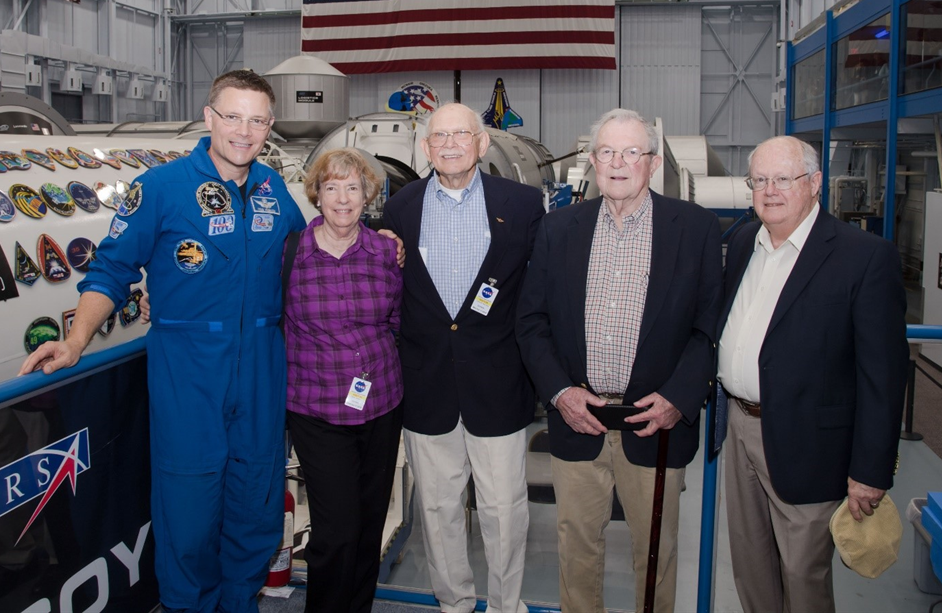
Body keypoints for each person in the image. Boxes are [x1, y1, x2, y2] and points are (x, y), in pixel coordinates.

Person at [20, 69, 308, 613]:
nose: (244, 131)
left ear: (269, 126)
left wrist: (377, 241)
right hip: (190, 370)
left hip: (264, 369)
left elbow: (309, 255)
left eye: (256, 120)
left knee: (256, 506)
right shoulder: (161, 188)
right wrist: (76, 339)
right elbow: (110, 270)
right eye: (233, 116)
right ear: (209, 117)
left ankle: (240, 602)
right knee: (189, 512)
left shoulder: (274, 189)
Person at [516, 108, 722, 613]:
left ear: (652, 163)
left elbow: (709, 327)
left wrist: (677, 397)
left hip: (655, 422)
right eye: (607, 151)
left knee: (656, 552)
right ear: (591, 161)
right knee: (577, 550)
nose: (618, 162)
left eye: (632, 152)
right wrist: (561, 394)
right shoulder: (559, 228)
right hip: (578, 419)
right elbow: (532, 321)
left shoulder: (694, 228)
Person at [715, 135, 908, 613]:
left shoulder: (863, 257)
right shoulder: (743, 242)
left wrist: (870, 471)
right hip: (740, 429)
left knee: (803, 576)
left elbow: (883, 376)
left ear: (815, 182)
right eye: (759, 180)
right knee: (750, 566)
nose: (770, 191)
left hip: (810, 444)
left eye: (784, 179)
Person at [381, 102, 545, 613]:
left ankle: (504, 605)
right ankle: (454, 603)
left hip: (498, 383)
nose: (450, 144)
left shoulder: (522, 204)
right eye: (439, 136)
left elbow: (538, 295)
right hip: (427, 385)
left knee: (504, 509)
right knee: (437, 507)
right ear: (426, 148)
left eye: (461, 134)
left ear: (480, 143)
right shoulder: (401, 208)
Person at [283, 148, 403, 613]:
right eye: (331, 187)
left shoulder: (384, 252)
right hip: (316, 407)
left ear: (367, 195)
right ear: (317, 195)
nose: (342, 198)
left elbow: (395, 319)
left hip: (383, 404)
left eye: (353, 188)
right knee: (336, 529)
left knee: (371, 522)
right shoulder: (291, 253)